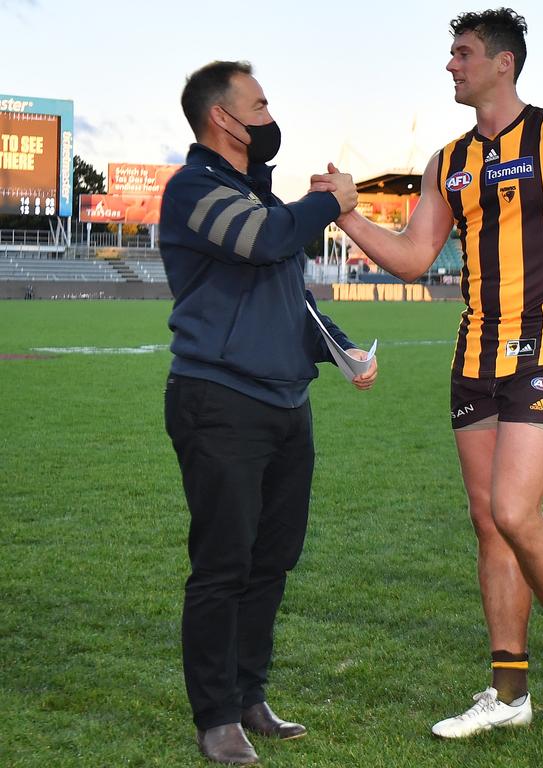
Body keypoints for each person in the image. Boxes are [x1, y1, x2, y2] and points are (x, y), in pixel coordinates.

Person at [319, 9, 543, 737]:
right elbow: (412, 255)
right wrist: (344, 214)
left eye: (463, 54)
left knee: (514, 511)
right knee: (488, 524)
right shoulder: (448, 160)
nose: (451, 67)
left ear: (504, 63)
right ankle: (506, 693)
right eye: (451, 54)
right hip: (474, 352)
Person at [160, 60, 377, 765]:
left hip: (286, 405)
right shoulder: (194, 188)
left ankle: (249, 695)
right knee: (223, 564)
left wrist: (342, 348)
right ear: (223, 118)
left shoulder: (258, 195)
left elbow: (291, 295)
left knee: (272, 562)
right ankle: (215, 717)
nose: (268, 113)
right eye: (258, 103)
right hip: (218, 401)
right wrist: (335, 199)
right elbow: (265, 240)